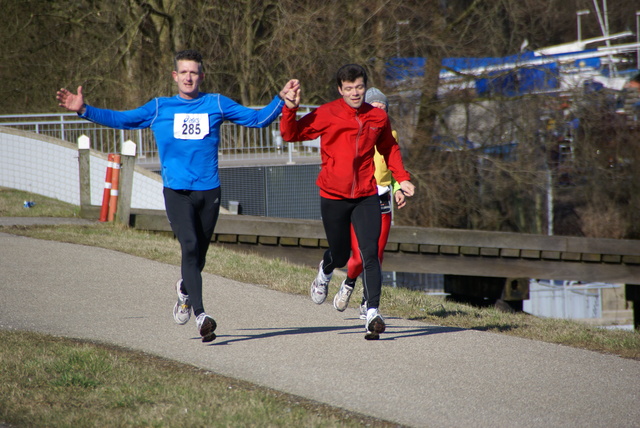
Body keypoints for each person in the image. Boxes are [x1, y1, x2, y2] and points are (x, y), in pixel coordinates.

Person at [57, 49, 299, 343]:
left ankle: (185, 291)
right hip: (176, 192)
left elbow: (257, 119)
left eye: (193, 72)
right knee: (189, 246)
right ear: (175, 76)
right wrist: (85, 110)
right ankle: (201, 315)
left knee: (199, 257)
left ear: (201, 76)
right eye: (183, 72)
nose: (188, 77)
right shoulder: (160, 108)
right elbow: (123, 120)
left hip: (209, 192)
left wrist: (280, 99)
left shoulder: (216, 103)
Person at [280, 64, 415, 340]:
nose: (355, 93)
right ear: (340, 90)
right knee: (341, 255)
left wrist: (402, 178)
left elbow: (389, 147)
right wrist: (290, 109)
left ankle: (373, 313)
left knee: (371, 254)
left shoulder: (377, 117)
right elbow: (290, 134)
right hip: (334, 196)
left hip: (366, 195)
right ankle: (326, 269)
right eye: (349, 88)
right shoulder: (327, 113)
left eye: (360, 87)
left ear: (365, 87)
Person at [333, 87, 407, 320]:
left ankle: (368, 302)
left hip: (382, 198)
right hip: (360, 198)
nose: (380, 112)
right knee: (358, 257)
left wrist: (398, 188)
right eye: (375, 107)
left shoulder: (391, 136)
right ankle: (348, 282)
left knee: (377, 254)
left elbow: (394, 165)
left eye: (383, 109)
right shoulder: (355, 131)